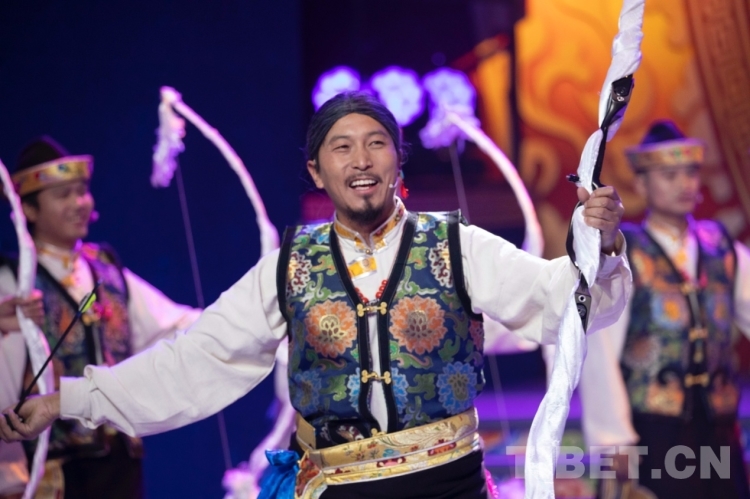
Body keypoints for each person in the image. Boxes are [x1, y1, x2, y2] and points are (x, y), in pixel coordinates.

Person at [1, 92, 632, 498]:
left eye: (376, 143)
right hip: (338, 486)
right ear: (316, 171)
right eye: (342, 147)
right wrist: (68, 399)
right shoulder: (289, 267)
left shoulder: (457, 244)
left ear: (398, 162)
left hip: (451, 484)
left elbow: (561, 301)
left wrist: (599, 248)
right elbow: (196, 359)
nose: (361, 160)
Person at [0, 137, 201, 499]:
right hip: (54, 472)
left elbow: (175, 326)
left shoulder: (106, 271)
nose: (79, 203)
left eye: (82, 192)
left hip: (120, 463)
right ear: (28, 209)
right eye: (63, 195)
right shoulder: (14, 283)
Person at [579, 120, 750, 498]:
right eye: (669, 176)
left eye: (690, 173)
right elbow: (599, 347)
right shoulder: (625, 253)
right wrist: (613, 438)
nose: (684, 184)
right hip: (653, 429)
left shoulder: (721, 246)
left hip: (719, 425)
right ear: (642, 185)